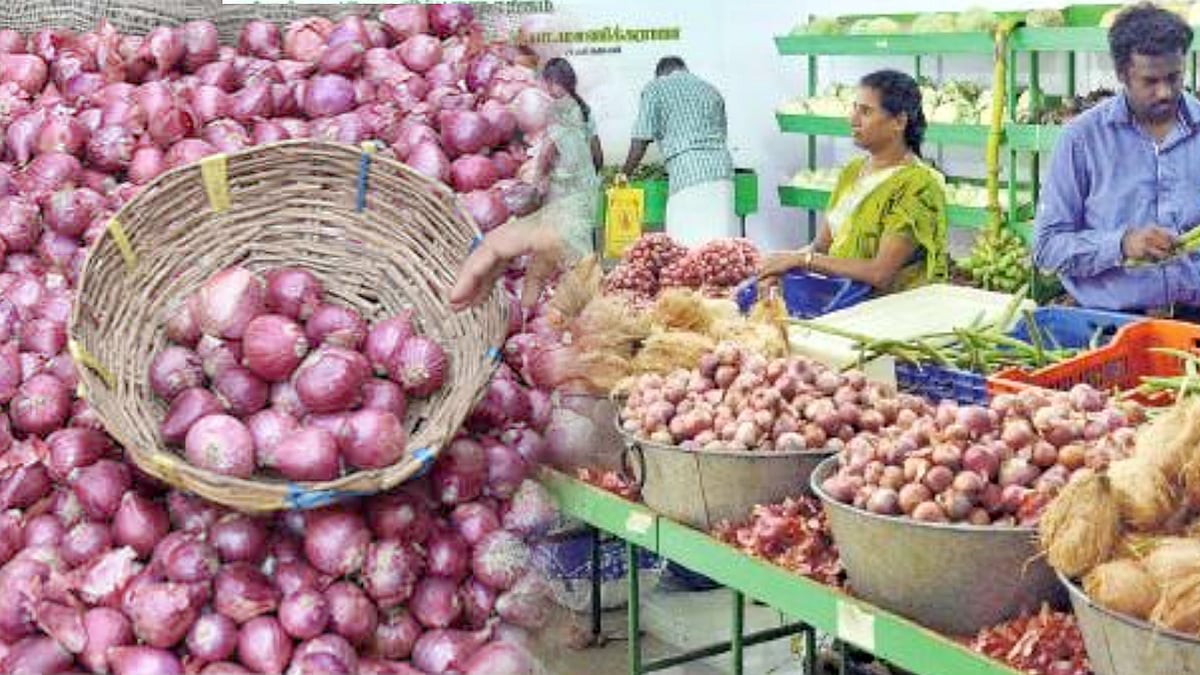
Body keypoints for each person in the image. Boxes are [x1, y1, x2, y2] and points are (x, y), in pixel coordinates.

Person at [1033, 2, 1200, 315]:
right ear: (1122, 74)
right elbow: (1047, 248)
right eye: (1150, 81)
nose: (1165, 92)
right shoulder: (1081, 140)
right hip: (1114, 325)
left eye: (1174, 77)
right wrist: (1121, 245)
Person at [759, 70, 948, 292]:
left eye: (866, 111)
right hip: (840, 299)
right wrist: (781, 268)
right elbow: (821, 246)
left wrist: (802, 260)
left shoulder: (918, 185)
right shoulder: (852, 171)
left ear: (899, 121)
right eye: (854, 108)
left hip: (889, 311)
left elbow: (880, 273)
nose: (853, 119)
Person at [621, 56, 737, 246]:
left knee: (685, 245)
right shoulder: (711, 90)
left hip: (688, 174)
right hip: (723, 174)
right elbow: (722, 135)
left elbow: (641, 138)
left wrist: (624, 174)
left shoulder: (656, 87)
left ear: (661, 74)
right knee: (718, 251)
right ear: (684, 69)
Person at [529, 57, 602, 260]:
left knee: (568, 242)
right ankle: (590, 278)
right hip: (587, 183)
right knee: (586, 237)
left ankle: (579, 283)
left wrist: (537, 181)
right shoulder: (585, 109)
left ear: (553, 83)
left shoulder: (557, 109)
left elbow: (547, 150)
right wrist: (593, 176)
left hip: (566, 186)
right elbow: (597, 150)